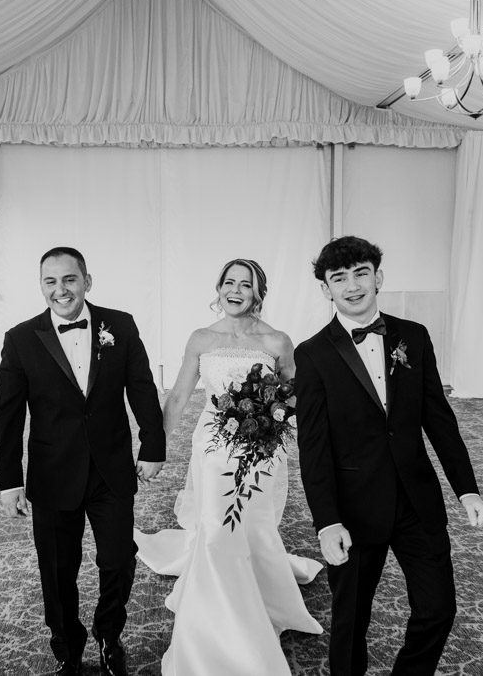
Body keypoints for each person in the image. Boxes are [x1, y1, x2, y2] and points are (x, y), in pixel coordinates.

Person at [295, 236, 483, 676]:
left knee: (438, 609)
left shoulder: (414, 337)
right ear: (326, 289)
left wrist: (467, 490)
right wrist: (326, 520)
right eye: (338, 278)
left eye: (360, 273)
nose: (352, 285)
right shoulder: (312, 355)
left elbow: (439, 420)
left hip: (417, 500)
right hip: (354, 506)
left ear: (377, 277)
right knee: (350, 622)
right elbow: (314, 447)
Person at [134, 258, 322, 675]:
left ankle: (261, 595)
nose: (236, 290)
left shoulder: (277, 341)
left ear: (258, 293)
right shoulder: (201, 338)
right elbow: (180, 396)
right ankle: (221, 619)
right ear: (218, 288)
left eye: (246, 284)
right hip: (214, 448)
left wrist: (281, 421)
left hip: (263, 451)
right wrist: (156, 448)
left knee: (254, 525)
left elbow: (295, 397)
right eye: (229, 282)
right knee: (218, 529)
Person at [0, 247, 165, 676]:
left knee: (119, 559)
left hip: (111, 468)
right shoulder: (20, 338)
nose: (60, 290)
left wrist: (152, 445)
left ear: (88, 280)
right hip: (52, 475)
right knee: (56, 570)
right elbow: (9, 417)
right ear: (41, 286)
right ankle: (67, 648)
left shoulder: (119, 326)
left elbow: (142, 388)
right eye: (50, 282)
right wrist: (9, 480)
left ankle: (109, 633)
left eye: (69, 279)